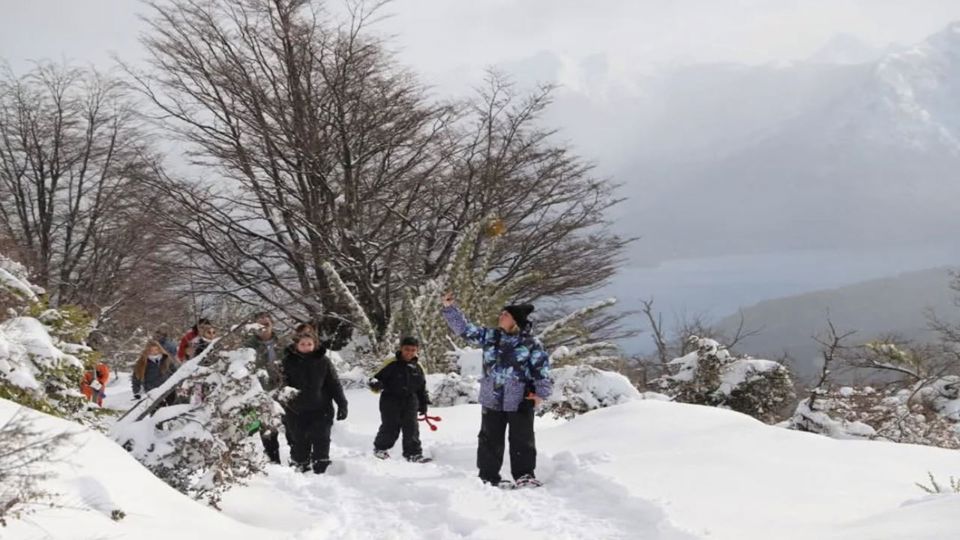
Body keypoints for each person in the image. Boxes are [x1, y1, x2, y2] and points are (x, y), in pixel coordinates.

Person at [441, 292, 552, 488]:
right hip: (491, 397)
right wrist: (450, 309)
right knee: (489, 439)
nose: (500, 316)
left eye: (505, 314)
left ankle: (524, 475)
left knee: (522, 439)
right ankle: (488, 476)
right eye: (501, 313)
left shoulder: (531, 343)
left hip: (520, 398)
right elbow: (465, 330)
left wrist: (541, 394)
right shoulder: (490, 336)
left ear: (515, 321)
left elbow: (542, 369)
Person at [280, 332, 348, 474]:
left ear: (315, 345)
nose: (306, 347)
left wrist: (342, 403)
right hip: (296, 409)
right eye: (302, 344)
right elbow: (281, 383)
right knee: (299, 439)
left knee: (321, 437)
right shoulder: (287, 361)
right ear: (296, 345)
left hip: (321, 408)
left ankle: (321, 464)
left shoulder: (323, 361)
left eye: (309, 344)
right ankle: (300, 464)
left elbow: (334, 383)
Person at [369, 336, 431, 463]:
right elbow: (374, 379)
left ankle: (413, 453)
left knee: (412, 427)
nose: (410, 352)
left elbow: (421, 386)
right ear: (401, 349)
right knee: (391, 425)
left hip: (410, 400)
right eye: (407, 349)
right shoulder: (391, 363)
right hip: (390, 399)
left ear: (417, 350)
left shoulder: (417, 366)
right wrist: (377, 385)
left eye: (413, 350)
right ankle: (380, 448)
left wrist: (423, 403)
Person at [244, 311, 285, 464]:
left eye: (266, 324)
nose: (263, 327)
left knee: (291, 426)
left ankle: (298, 459)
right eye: (260, 325)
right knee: (267, 427)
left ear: (272, 324)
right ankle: (274, 461)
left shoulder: (282, 343)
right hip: (261, 391)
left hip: (283, 389)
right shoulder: (248, 346)